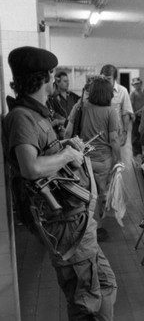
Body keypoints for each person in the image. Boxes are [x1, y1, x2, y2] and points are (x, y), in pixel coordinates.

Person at [3, 46, 116, 320]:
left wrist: (65, 145)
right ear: (43, 78)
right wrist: (66, 154)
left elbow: (43, 153)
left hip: (75, 220)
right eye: (53, 75)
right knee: (85, 302)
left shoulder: (36, 113)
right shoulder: (22, 117)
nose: (55, 80)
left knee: (104, 284)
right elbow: (30, 167)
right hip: (63, 224)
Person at [65, 76, 122, 242]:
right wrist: (118, 160)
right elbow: (114, 140)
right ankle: (96, 228)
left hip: (82, 159)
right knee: (100, 195)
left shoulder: (80, 106)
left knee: (85, 194)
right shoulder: (110, 111)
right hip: (103, 161)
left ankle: (84, 227)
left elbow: (68, 133)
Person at [46, 71, 81, 139]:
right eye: (65, 81)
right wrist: (59, 122)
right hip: (60, 133)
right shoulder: (52, 99)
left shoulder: (73, 96)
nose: (68, 83)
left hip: (73, 131)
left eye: (68, 81)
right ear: (57, 82)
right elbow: (53, 116)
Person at [130, 77, 144, 156]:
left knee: (142, 133)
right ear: (133, 85)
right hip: (136, 116)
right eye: (135, 84)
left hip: (143, 116)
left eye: (138, 84)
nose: (137, 85)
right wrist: (133, 114)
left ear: (141, 84)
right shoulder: (133, 94)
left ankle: (142, 150)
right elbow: (131, 105)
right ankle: (136, 151)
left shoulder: (143, 93)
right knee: (135, 134)